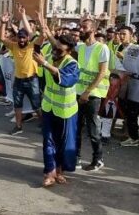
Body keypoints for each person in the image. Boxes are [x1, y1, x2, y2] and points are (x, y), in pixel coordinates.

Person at [34, 25, 80, 187]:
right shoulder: (49, 56)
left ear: (68, 51)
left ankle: (60, 171)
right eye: (55, 47)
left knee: (64, 144)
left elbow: (65, 80)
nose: (55, 51)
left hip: (66, 111)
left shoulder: (72, 64)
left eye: (59, 50)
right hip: (48, 107)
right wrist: (43, 32)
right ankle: (50, 172)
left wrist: (46, 64)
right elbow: (35, 50)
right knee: (48, 141)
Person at [74, 16, 110, 171]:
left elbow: (102, 73)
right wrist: (46, 30)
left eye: (85, 27)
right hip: (78, 92)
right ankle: (76, 158)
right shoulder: (81, 47)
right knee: (76, 127)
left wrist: (87, 92)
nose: (81, 30)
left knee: (92, 129)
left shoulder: (102, 48)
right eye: (80, 27)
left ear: (93, 30)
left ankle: (98, 159)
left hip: (93, 94)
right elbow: (59, 45)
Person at [0, 7, 41, 135]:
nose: (21, 40)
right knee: (17, 105)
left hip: (32, 80)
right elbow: (2, 38)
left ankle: (45, 125)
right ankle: (18, 126)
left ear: (28, 38)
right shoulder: (14, 46)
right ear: (17, 38)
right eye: (20, 38)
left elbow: (42, 36)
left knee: (36, 105)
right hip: (18, 80)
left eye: (24, 38)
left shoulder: (33, 46)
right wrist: (3, 23)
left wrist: (26, 16)